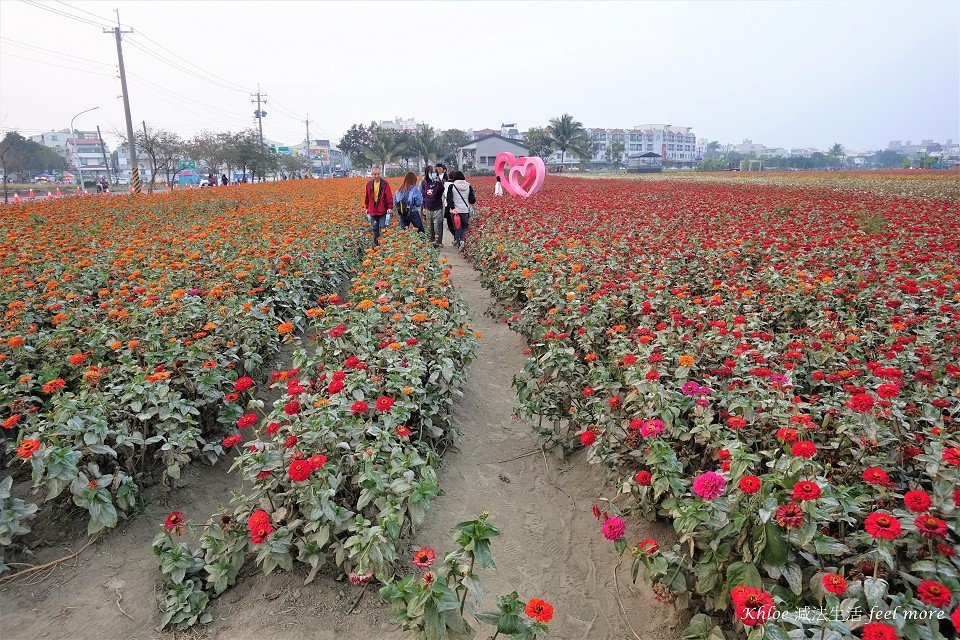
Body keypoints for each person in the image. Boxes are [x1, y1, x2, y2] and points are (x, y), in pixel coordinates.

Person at [444, 170, 476, 250]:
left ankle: (459, 244)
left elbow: (449, 199)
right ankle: (463, 240)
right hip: (465, 210)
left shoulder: (452, 186)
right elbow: (472, 200)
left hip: (455, 211)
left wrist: (453, 208)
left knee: (457, 227)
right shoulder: (468, 185)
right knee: (465, 226)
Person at [364, 166, 393, 245]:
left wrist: (390, 207)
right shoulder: (369, 184)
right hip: (373, 211)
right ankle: (376, 246)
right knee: (375, 228)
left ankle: (385, 244)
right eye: (374, 174)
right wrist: (366, 207)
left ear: (380, 174)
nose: (376, 176)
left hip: (382, 210)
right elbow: (367, 197)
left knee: (383, 226)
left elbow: (389, 196)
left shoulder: (384, 184)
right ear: (372, 174)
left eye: (378, 174)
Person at [420, 165, 445, 246]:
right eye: (431, 172)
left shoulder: (439, 182)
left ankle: (438, 242)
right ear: (427, 173)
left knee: (437, 225)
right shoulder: (424, 183)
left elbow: (442, 190)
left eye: (434, 172)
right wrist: (424, 207)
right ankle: (431, 240)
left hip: (437, 207)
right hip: (428, 207)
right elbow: (424, 196)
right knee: (430, 226)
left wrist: (439, 182)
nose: (433, 174)